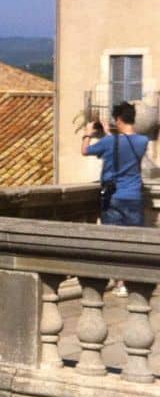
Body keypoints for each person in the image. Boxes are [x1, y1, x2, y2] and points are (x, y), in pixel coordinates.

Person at [84, 102, 151, 294]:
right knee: (133, 241)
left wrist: (88, 133)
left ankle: (119, 282)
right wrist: (109, 134)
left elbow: (85, 151)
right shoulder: (143, 141)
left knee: (113, 241)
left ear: (118, 119)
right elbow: (125, 147)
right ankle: (131, 282)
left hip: (113, 197)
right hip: (134, 196)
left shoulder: (109, 142)